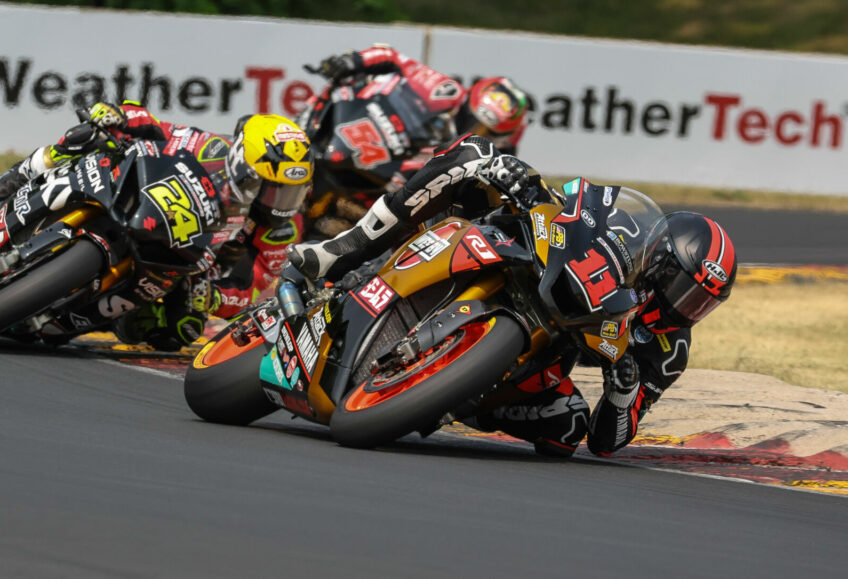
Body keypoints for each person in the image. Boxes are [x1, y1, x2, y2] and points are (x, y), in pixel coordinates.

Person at [286, 133, 737, 458]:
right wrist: (530, 189)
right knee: (475, 153)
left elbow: (607, 442)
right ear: (659, 261)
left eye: (701, 304)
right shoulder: (629, 230)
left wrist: (621, 394)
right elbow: (576, 206)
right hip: (527, 257)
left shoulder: (668, 348)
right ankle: (342, 250)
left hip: (549, 348)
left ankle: (452, 394)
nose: (684, 309)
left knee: (567, 428)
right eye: (683, 290)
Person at [0, 101, 314, 350]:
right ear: (241, 163)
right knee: (86, 137)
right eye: (269, 188)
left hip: (190, 263)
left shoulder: (282, 227)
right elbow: (155, 126)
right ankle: (6, 184)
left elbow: (257, 285)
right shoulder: (211, 148)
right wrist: (118, 115)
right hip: (148, 203)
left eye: (289, 192)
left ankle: (86, 315)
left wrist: (216, 297)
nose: (277, 202)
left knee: (182, 330)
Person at [313, 44, 531, 154]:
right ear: (467, 106)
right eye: (474, 123)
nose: (475, 133)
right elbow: (393, 57)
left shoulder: (497, 155)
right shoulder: (445, 91)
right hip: (364, 137)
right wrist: (355, 61)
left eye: (484, 132)